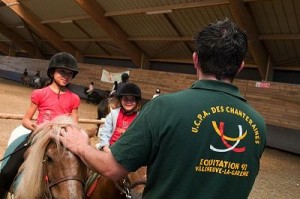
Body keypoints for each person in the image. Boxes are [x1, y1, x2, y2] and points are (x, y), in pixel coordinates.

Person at [56, 19, 267, 199]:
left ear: (195, 59)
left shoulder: (164, 107)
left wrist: (82, 146)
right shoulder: (257, 124)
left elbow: (111, 168)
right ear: (241, 66)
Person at [0, 52, 81, 197]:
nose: (66, 75)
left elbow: (74, 124)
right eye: (62, 71)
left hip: (62, 139)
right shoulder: (40, 93)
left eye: (69, 73)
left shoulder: (74, 98)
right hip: (39, 136)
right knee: (7, 169)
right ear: (52, 72)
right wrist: (36, 128)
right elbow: (25, 120)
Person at [97, 83, 142, 150]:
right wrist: (105, 147)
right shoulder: (113, 114)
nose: (129, 102)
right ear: (120, 99)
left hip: (128, 150)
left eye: (132, 99)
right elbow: (105, 132)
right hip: (111, 148)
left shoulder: (140, 117)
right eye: (125, 99)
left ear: (137, 101)